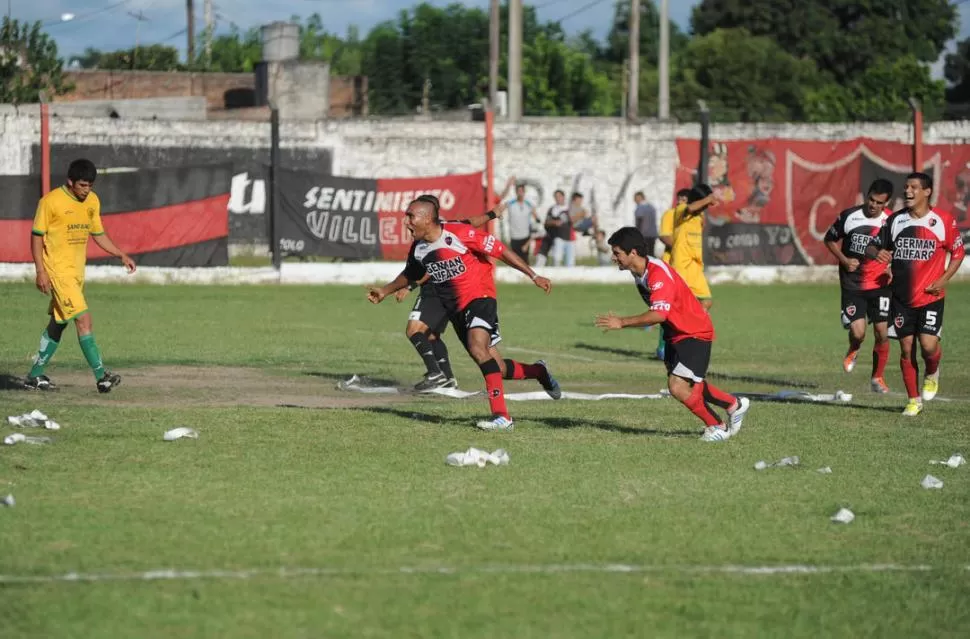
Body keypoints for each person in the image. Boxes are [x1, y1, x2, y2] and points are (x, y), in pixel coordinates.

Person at [368, 195, 561, 431]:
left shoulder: (460, 233)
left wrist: (533, 275)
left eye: (411, 216)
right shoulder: (419, 248)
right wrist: (385, 291)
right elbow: (410, 273)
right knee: (496, 366)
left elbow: (500, 250)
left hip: (480, 297)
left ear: (428, 219)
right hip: (455, 310)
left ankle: (502, 417)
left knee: (478, 347)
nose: (406, 222)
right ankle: (539, 371)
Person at [594, 227, 750, 442]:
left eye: (617, 252)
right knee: (688, 384)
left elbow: (658, 313)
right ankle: (734, 404)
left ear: (633, 253)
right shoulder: (638, 270)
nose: (613, 257)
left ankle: (717, 426)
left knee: (678, 386)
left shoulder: (657, 274)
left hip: (693, 331)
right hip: (674, 332)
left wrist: (622, 322)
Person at [23, 159, 136, 393]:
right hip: (57, 272)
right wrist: (40, 271)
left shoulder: (92, 201)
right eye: (82, 185)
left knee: (59, 322)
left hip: (76, 274)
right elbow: (36, 236)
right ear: (70, 182)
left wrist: (120, 254)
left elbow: (99, 234)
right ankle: (101, 376)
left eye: (90, 186)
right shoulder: (51, 202)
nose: (86, 190)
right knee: (84, 319)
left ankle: (34, 376)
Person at [869, 172, 965, 416]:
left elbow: (957, 253)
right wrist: (875, 253)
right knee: (906, 348)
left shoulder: (942, 220)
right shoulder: (896, 221)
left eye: (913, 188)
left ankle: (932, 371)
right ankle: (913, 400)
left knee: (928, 346)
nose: (907, 192)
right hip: (901, 298)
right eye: (906, 187)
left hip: (931, 297)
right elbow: (873, 245)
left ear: (927, 191)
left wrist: (943, 280)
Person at [393, 199, 509, 391]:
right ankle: (445, 376)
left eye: (413, 214)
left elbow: (438, 264)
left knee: (415, 330)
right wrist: (491, 214)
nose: (409, 221)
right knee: (431, 335)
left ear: (428, 214)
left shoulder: (442, 230)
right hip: (441, 290)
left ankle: (436, 373)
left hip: (439, 289)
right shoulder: (435, 229)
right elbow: (471, 221)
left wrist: (410, 286)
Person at [823, 179, 894, 393]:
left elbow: (897, 250)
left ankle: (877, 377)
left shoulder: (891, 221)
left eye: (878, 202)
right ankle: (854, 348)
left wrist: (891, 267)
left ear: (886, 203)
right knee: (858, 332)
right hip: (853, 283)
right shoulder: (849, 216)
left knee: (882, 331)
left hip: (880, 283)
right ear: (867, 195)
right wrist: (844, 260)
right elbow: (829, 239)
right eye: (871, 199)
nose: (873, 205)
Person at [655, 188, 691, 360]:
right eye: (680, 198)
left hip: (690, 269)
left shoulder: (693, 218)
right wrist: (681, 247)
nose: (682, 201)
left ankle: (683, 344)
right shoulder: (670, 214)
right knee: (668, 308)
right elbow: (664, 235)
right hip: (672, 266)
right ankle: (663, 346)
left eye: (686, 199)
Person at [670, 185, 715, 313]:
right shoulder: (681, 209)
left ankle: (694, 327)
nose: (707, 206)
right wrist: (708, 199)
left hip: (695, 266)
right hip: (681, 265)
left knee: (706, 301)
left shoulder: (700, 216)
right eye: (705, 202)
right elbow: (690, 208)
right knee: (678, 303)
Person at [506, 181, 540, 263]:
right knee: (515, 261)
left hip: (525, 236)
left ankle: (526, 276)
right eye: (518, 191)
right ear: (516, 192)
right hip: (514, 236)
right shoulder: (510, 204)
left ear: (524, 192)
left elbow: (537, 219)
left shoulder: (529, 204)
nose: (520, 193)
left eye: (522, 191)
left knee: (525, 260)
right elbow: (500, 210)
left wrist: (536, 228)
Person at [633, 191, 658, 255]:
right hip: (652, 235)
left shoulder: (640, 207)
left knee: (643, 255)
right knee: (651, 254)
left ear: (640, 198)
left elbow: (639, 221)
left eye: (635, 198)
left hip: (643, 235)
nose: (635, 200)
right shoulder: (651, 207)